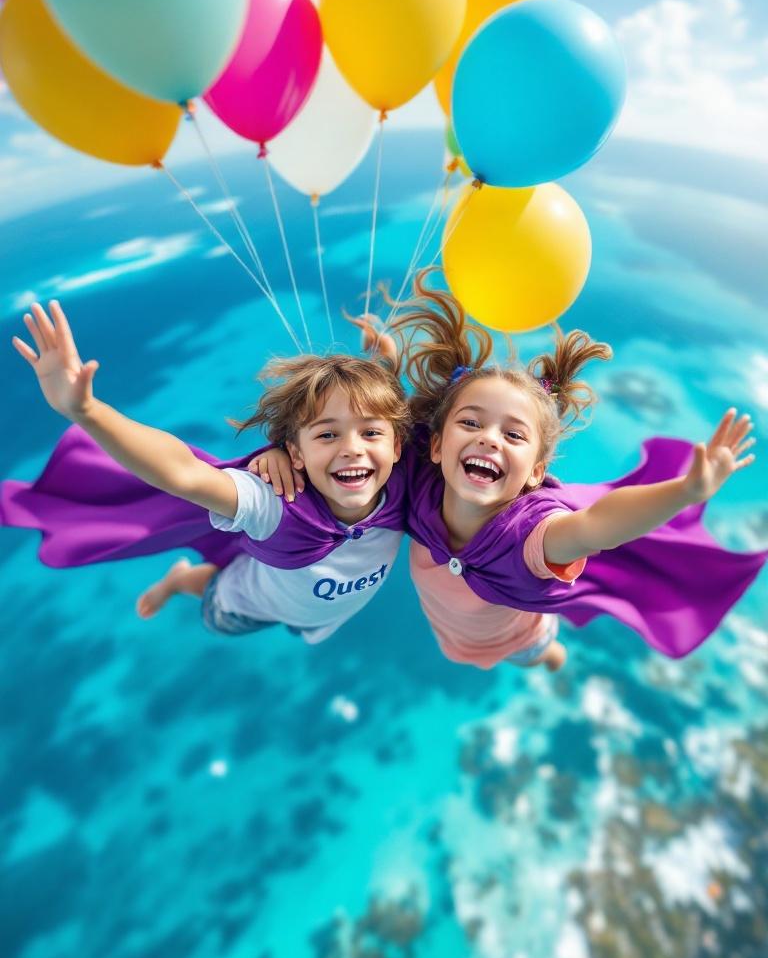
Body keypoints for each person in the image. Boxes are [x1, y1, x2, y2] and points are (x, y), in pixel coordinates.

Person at [255, 270, 765, 669]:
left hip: (519, 633)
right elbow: (369, 433)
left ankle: (552, 655)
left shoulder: (534, 538)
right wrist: (281, 450)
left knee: (539, 655)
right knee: (465, 649)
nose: (488, 439)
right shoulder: (417, 478)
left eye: (513, 435)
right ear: (434, 444)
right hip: (450, 630)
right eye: (471, 423)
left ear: (535, 473)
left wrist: (684, 491)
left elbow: (601, 523)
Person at [5, 300, 410, 644]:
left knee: (286, 613)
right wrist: (87, 411)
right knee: (216, 598)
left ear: (396, 445)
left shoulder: (402, 478)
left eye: (370, 433)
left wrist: (385, 362)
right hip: (245, 605)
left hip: (322, 617)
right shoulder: (276, 502)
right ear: (296, 453)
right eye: (326, 435)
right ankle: (177, 580)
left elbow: (403, 417)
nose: (352, 448)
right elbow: (182, 472)